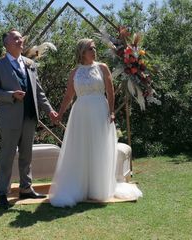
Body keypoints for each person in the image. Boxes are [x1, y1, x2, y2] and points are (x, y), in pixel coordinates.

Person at [49, 38, 142, 207]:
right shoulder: (74, 72)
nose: (94, 51)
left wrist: (112, 111)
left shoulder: (102, 67)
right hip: (80, 113)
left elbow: (110, 90)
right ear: (83, 52)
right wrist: (60, 114)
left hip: (100, 110)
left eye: (94, 48)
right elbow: (69, 96)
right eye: (91, 48)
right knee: (81, 149)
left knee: (99, 148)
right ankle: (80, 187)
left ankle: (99, 188)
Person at [0, 28, 58, 208]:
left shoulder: (30, 63)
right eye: (16, 38)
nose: (21, 40)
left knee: (27, 156)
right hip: (10, 119)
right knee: (7, 156)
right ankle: (2, 192)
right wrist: (11, 95)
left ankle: (26, 188)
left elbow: (39, 91)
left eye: (21, 38)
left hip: (30, 116)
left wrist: (49, 110)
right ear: (7, 44)